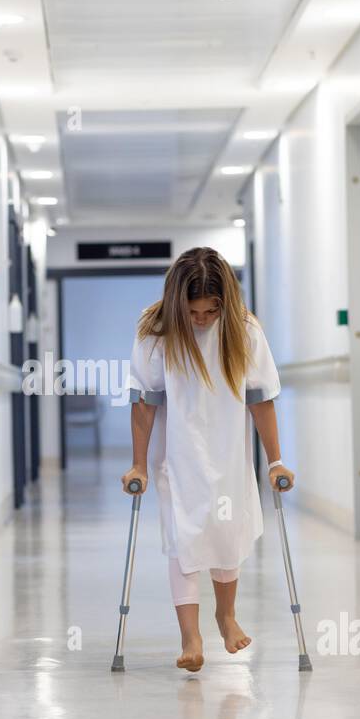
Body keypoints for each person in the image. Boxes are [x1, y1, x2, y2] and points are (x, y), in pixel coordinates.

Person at [121, 247, 294, 672]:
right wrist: (138, 464)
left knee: (225, 530)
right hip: (175, 453)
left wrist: (275, 462)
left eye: (210, 311)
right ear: (178, 303)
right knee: (184, 537)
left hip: (227, 450)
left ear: (225, 304)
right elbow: (144, 403)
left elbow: (261, 400)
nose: (201, 320)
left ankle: (226, 615)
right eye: (194, 311)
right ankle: (190, 635)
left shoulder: (243, 329)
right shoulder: (157, 330)